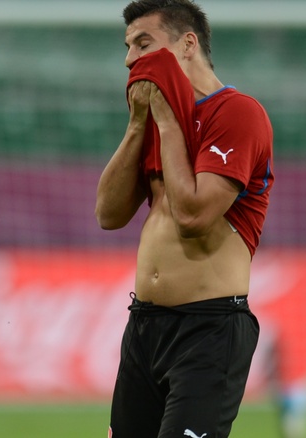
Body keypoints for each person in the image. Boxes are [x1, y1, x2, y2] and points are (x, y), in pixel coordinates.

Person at [95, 1, 274, 437]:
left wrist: (167, 123)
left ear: (188, 44)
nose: (130, 59)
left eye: (143, 44)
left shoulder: (237, 113)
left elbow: (194, 216)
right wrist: (138, 125)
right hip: (144, 327)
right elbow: (108, 214)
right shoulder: (158, 119)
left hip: (209, 329)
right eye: (127, 47)